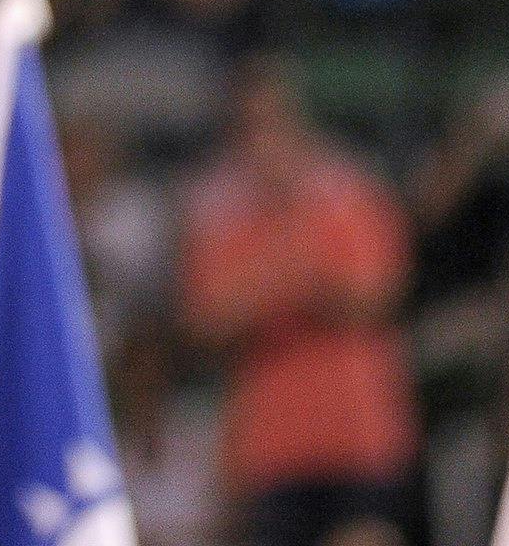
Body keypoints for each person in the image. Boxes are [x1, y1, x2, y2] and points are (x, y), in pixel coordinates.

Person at [177, 58, 420, 546]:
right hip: (270, 448)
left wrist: (274, 286)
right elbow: (204, 321)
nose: (263, 135)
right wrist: (299, 282)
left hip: (361, 435)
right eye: (251, 124)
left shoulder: (353, 195)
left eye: (274, 119)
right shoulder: (217, 214)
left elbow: (375, 297)